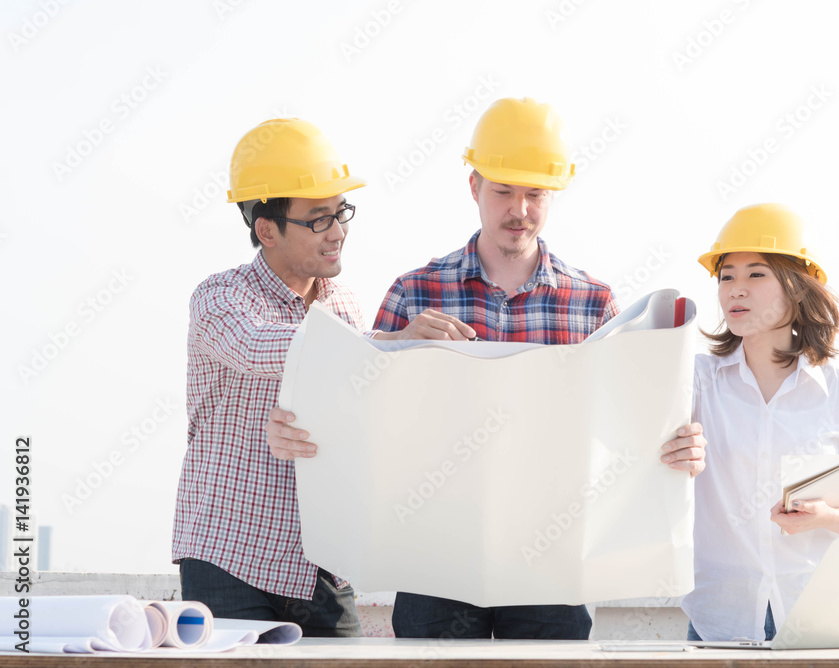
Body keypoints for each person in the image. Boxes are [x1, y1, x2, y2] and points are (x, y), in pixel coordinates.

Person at [266, 97, 707, 640]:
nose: (518, 209)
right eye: (503, 190)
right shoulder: (416, 292)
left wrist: (674, 446)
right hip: (434, 562)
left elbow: (618, 434)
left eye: (534, 194)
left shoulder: (592, 304)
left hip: (552, 567)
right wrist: (307, 430)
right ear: (474, 187)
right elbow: (365, 417)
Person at [171, 117, 469, 635]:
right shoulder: (220, 298)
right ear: (267, 229)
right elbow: (259, 346)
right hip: (230, 554)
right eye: (317, 220)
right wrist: (390, 343)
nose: (337, 232)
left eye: (340, 214)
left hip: (322, 560)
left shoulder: (346, 306)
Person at [682, 203, 839, 642]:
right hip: (719, 617)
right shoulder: (695, 381)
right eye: (726, 276)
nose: (736, 289)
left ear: (796, 289)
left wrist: (827, 515)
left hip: (815, 614)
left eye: (756, 274)